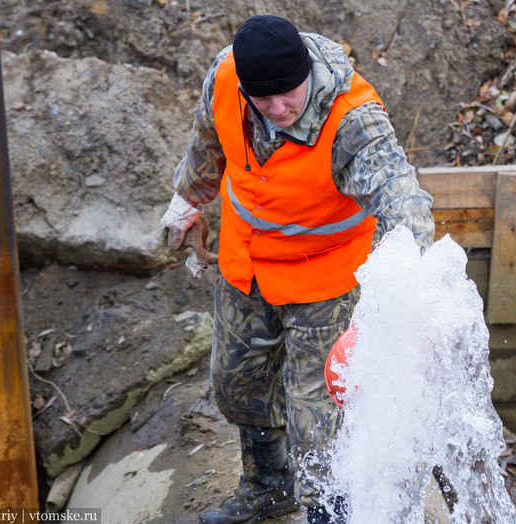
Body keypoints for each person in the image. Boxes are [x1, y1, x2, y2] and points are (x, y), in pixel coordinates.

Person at [159, 14, 435, 524]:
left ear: (306, 70)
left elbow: (404, 199)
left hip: (326, 282)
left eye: (289, 94)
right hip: (247, 264)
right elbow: (207, 137)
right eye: (263, 100)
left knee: (319, 419)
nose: (279, 109)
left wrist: (404, 292)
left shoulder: (353, 119)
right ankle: (268, 487)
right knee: (236, 385)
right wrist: (188, 200)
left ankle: (329, 512)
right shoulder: (225, 76)